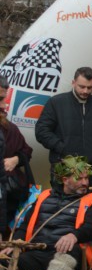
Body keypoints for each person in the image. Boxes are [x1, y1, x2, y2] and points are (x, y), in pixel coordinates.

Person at [9, 156, 92, 270]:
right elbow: (24, 226)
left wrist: (74, 235)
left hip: (66, 252)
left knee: (67, 252)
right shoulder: (44, 196)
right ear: (65, 180)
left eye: (86, 178)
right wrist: (15, 245)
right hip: (36, 252)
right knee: (6, 261)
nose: (85, 183)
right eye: (79, 178)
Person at [35, 66, 92, 187]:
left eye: (90, 87)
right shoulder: (56, 103)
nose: (86, 91)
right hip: (64, 169)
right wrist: (62, 148)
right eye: (82, 86)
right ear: (73, 82)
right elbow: (41, 131)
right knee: (63, 205)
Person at [1, 77, 33, 233]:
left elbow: (27, 150)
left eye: (4, 99)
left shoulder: (9, 128)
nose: (4, 105)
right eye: (1, 99)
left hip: (7, 192)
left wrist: (16, 159)